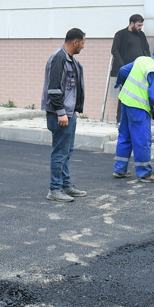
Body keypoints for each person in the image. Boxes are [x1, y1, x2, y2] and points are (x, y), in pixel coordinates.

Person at [112, 47, 154, 182]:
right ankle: (145, 173)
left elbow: (123, 71)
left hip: (125, 102)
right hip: (139, 108)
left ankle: (119, 170)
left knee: (125, 137)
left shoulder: (141, 60)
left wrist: (122, 84)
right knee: (142, 140)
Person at [42, 29, 88, 202]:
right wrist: (61, 113)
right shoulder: (59, 58)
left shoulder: (71, 61)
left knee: (67, 152)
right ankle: (54, 189)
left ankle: (65, 186)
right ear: (75, 42)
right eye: (82, 43)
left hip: (69, 113)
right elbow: (54, 89)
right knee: (60, 153)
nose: (83, 46)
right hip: (60, 115)